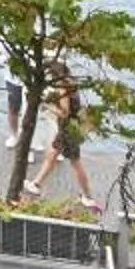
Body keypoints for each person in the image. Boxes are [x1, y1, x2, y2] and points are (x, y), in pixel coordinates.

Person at [24, 74, 99, 209]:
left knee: (75, 163)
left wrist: (47, 106)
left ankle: (88, 197)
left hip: (67, 130)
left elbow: (64, 113)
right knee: (52, 156)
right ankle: (36, 184)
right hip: (69, 128)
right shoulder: (72, 86)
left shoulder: (63, 90)